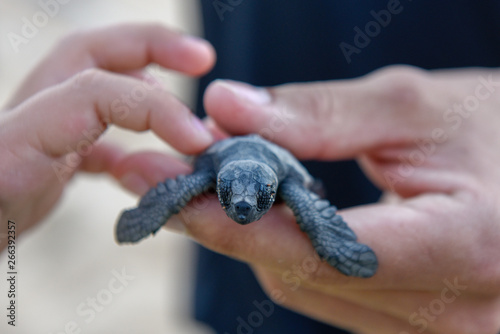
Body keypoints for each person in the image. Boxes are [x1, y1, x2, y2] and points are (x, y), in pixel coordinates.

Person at [1, 15, 500, 334]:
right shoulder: (216, 177)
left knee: (328, 247)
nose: (242, 209)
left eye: (251, 201)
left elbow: (303, 195)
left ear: (270, 190)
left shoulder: (284, 185)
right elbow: (190, 188)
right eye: (232, 198)